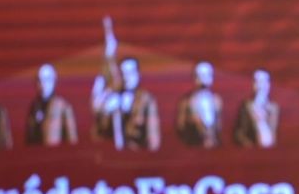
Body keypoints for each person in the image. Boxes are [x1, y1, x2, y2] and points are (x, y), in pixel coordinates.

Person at [91, 16, 160, 151]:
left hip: (139, 160)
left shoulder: (146, 100)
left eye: (131, 73)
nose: (127, 77)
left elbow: (153, 138)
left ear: (137, 74)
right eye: (124, 73)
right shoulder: (113, 97)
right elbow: (96, 110)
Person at [25, 63, 78, 146]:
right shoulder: (34, 106)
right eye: (39, 80)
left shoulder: (63, 106)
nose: (43, 84)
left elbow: (72, 140)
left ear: (53, 81)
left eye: (46, 80)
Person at [175, 61, 223, 148]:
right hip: (194, 146)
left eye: (206, 75)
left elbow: (219, 126)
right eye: (200, 75)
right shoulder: (186, 101)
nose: (203, 79)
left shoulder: (216, 100)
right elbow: (180, 126)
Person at [233, 69, 279, 148]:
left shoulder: (273, 108)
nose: (260, 86)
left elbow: (273, 134)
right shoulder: (246, 106)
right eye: (257, 82)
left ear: (268, 85)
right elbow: (239, 133)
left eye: (263, 82)